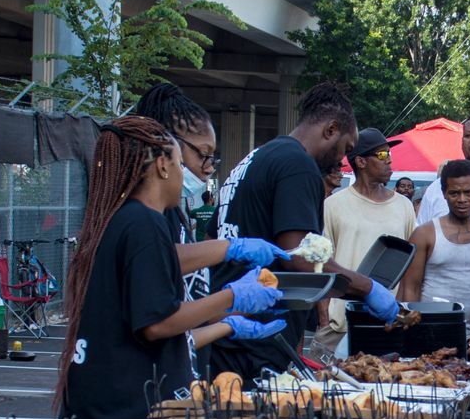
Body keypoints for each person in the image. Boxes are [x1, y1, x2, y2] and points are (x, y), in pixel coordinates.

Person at [58, 117, 284, 419]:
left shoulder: (123, 218)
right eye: (180, 163)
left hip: (95, 411)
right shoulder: (144, 223)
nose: (185, 174)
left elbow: (159, 262)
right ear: (162, 165)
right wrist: (232, 298)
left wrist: (230, 248)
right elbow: (157, 323)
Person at [208, 83, 402, 381]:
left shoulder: (255, 157)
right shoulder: (298, 165)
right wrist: (367, 288)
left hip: (225, 323)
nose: (342, 160)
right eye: (345, 148)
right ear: (331, 129)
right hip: (257, 335)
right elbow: (300, 258)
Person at [316, 128, 415, 347]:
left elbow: (411, 267)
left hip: (389, 323)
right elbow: (320, 263)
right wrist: (325, 317)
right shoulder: (332, 205)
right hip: (340, 325)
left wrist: (402, 310)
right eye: (382, 155)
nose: (389, 160)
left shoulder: (404, 206)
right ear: (360, 161)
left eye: (389, 154)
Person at [132, 82, 221, 305]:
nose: (209, 168)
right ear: (166, 152)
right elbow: (160, 322)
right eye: (203, 155)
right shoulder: (143, 219)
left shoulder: (169, 212)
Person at [400, 160, 470, 358]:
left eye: (468, 192)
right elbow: (409, 288)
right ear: (444, 193)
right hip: (428, 339)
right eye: (454, 193)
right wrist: (415, 334)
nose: (462, 199)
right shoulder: (425, 234)